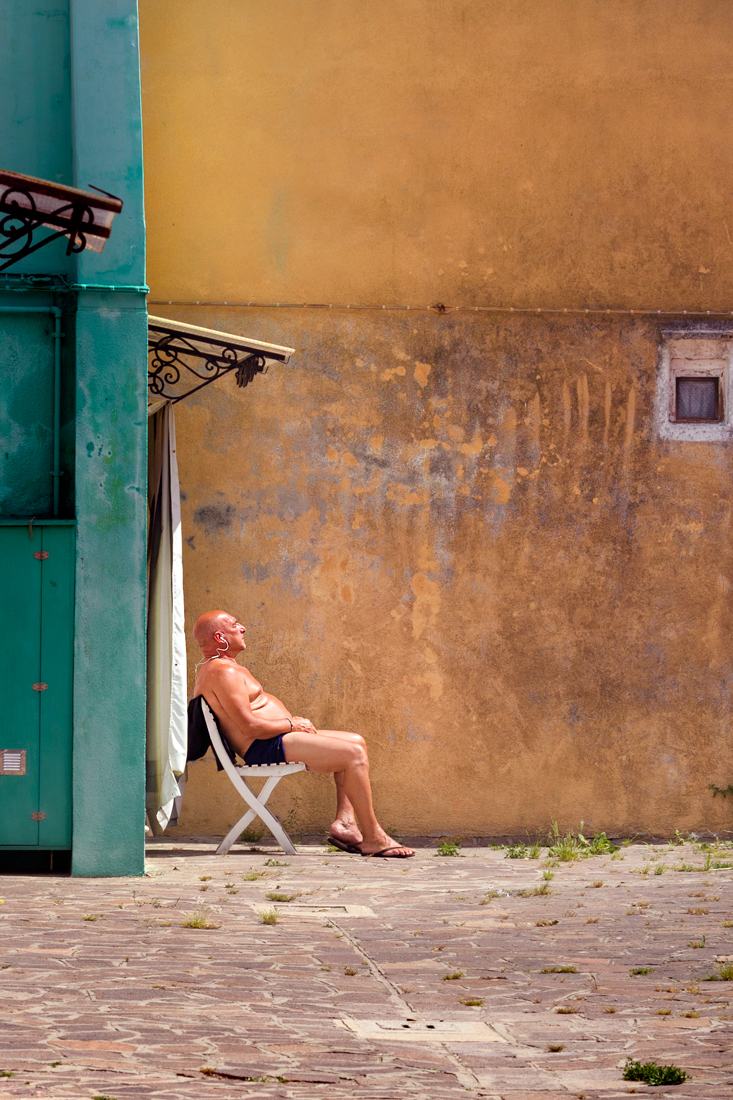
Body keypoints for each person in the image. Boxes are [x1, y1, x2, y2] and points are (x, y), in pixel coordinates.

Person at [191, 610, 415, 858]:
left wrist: (290, 726)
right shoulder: (224, 672)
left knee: (355, 741)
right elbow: (249, 727)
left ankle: (346, 824)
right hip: (264, 746)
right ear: (220, 637)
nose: (243, 628)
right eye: (235, 625)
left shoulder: (224, 668)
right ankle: (374, 837)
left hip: (274, 740)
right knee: (352, 754)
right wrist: (291, 724)